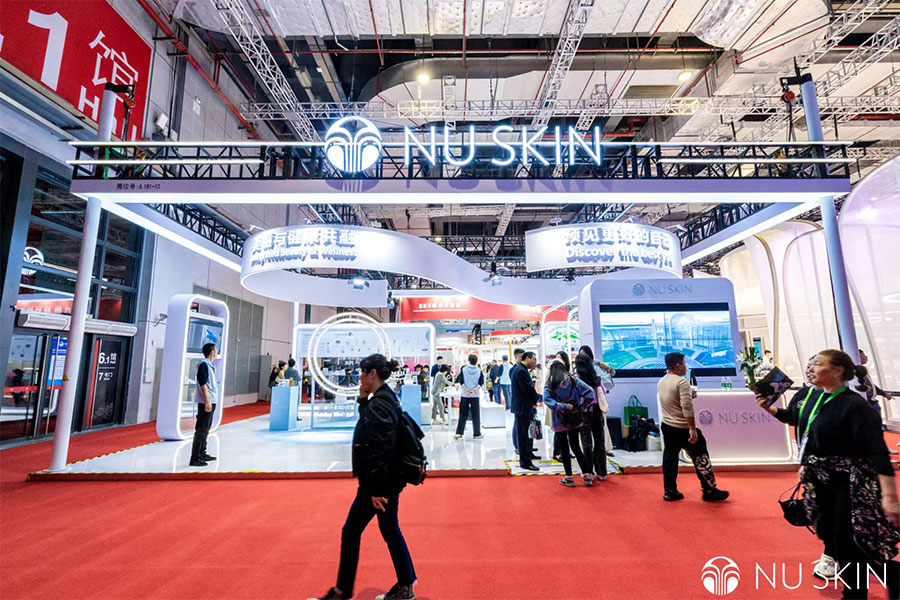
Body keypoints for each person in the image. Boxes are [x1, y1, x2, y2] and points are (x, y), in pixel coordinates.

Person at [756, 349, 899, 599]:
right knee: (831, 537)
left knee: (845, 541)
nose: (810, 368)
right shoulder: (810, 395)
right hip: (819, 481)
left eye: (818, 364)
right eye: (810, 364)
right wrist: (770, 410)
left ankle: (855, 594)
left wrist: (890, 498)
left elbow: (878, 453)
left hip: (850, 483)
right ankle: (891, 574)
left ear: (837, 371)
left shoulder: (854, 406)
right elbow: (795, 419)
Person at [309, 354, 417, 600]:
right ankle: (405, 585)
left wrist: (375, 490)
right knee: (389, 530)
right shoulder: (384, 398)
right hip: (387, 481)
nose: (359, 378)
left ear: (372, 374)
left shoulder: (380, 403)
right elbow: (371, 428)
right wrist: (362, 401)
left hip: (377, 485)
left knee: (352, 531)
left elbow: (379, 449)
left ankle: (343, 590)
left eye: (362, 373)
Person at [658, 352, 729, 502]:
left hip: (668, 425)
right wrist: (692, 429)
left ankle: (670, 490)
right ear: (678, 365)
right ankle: (709, 489)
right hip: (682, 427)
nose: (686, 366)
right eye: (684, 363)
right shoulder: (682, 382)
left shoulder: (662, 381)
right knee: (701, 456)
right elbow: (687, 407)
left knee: (670, 457)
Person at [543, 360, 595, 487]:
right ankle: (587, 476)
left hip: (559, 420)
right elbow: (590, 392)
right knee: (576, 446)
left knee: (564, 449)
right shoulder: (574, 381)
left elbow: (548, 401)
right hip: (574, 419)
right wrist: (582, 407)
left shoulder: (550, 385)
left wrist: (563, 407)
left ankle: (569, 477)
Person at [574, 351, 607, 481]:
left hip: (584, 412)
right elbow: (604, 391)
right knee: (599, 442)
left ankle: (588, 472)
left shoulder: (577, 380)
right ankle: (602, 472)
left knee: (586, 442)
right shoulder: (596, 378)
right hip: (598, 411)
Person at [512, 351, 542, 471]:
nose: (535, 362)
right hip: (522, 407)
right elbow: (527, 389)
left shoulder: (522, 370)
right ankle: (525, 462)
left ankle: (528, 454)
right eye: (534, 359)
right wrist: (535, 398)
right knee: (523, 435)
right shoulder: (520, 371)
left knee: (528, 433)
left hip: (525, 406)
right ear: (527, 358)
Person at [190, 343, 219, 467]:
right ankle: (195, 457)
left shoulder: (210, 366)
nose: (216, 352)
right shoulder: (203, 365)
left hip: (211, 400)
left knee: (206, 429)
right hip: (206, 402)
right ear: (212, 352)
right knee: (201, 429)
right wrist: (207, 400)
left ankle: (202, 453)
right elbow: (202, 384)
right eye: (215, 350)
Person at [454, 354, 484, 440]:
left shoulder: (463, 369)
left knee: (463, 414)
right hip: (475, 395)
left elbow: (461, 381)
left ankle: (459, 433)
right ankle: (477, 433)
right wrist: (474, 390)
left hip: (465, 395)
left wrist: (466, 390)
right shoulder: (479, 370)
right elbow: (481, 383)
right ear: (476, 361)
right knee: (476, 414)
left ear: (469, 361)